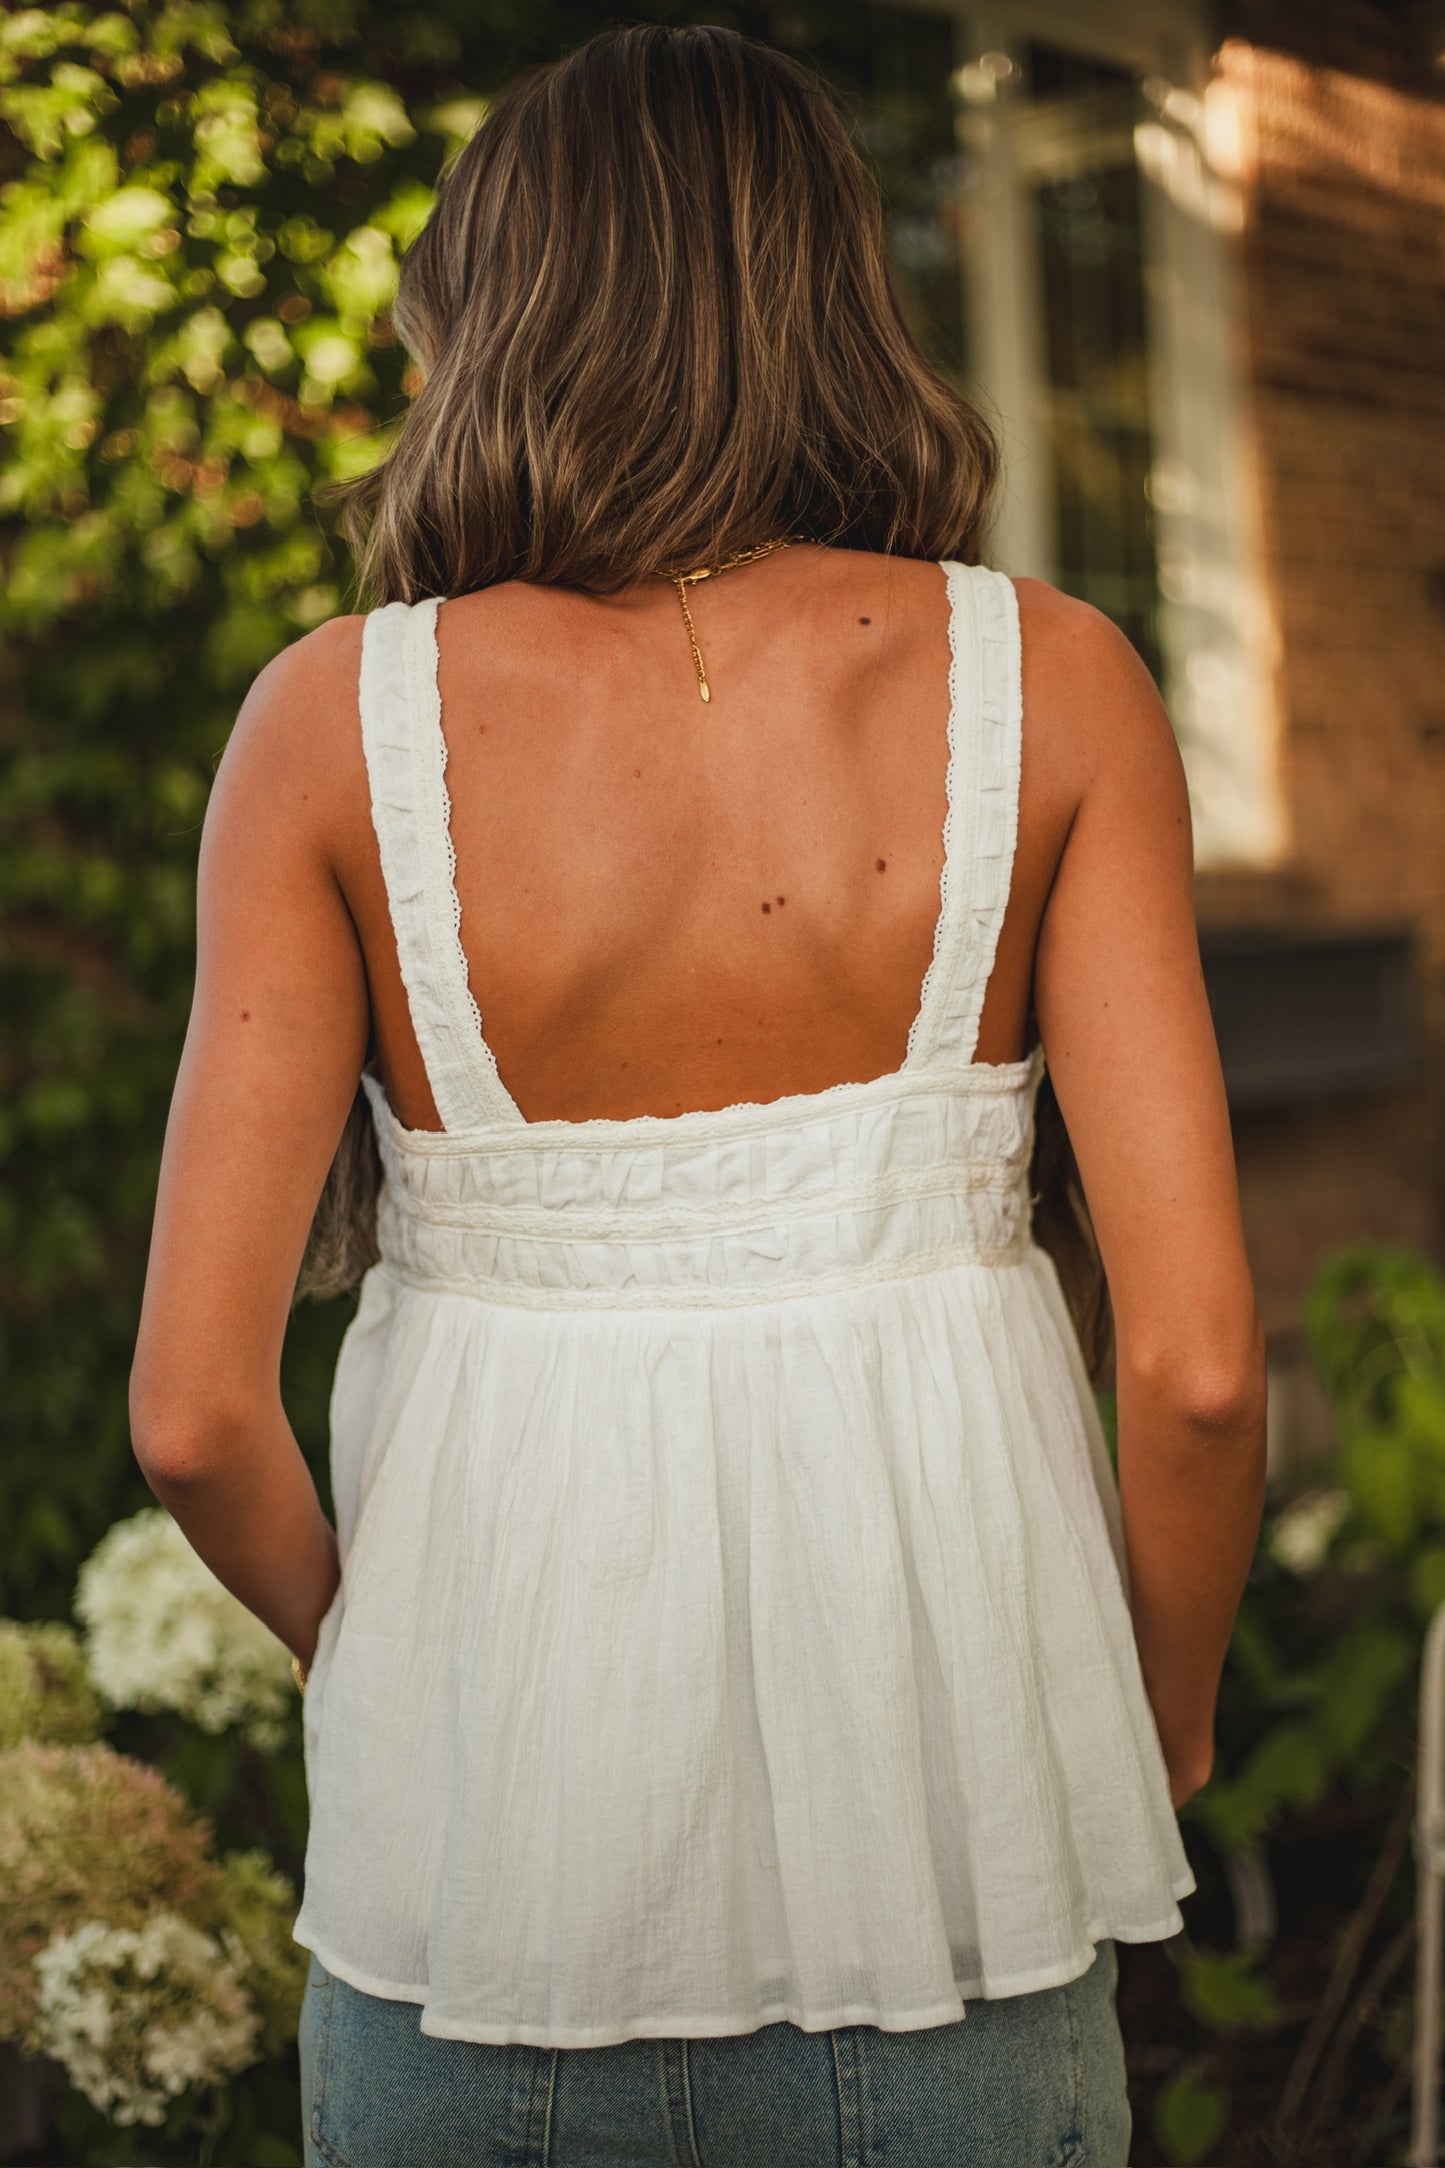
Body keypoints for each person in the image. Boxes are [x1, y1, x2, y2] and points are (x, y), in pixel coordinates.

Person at [128, 22, 1268, 2168]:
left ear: (490, 316)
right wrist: (1161, 1709)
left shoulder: (328, 727)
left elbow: (193, 1411)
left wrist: (368, 1661)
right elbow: (1200, 1373)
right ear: (838, 295)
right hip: (961, 1896)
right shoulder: (1061, 686)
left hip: (474, 1912)